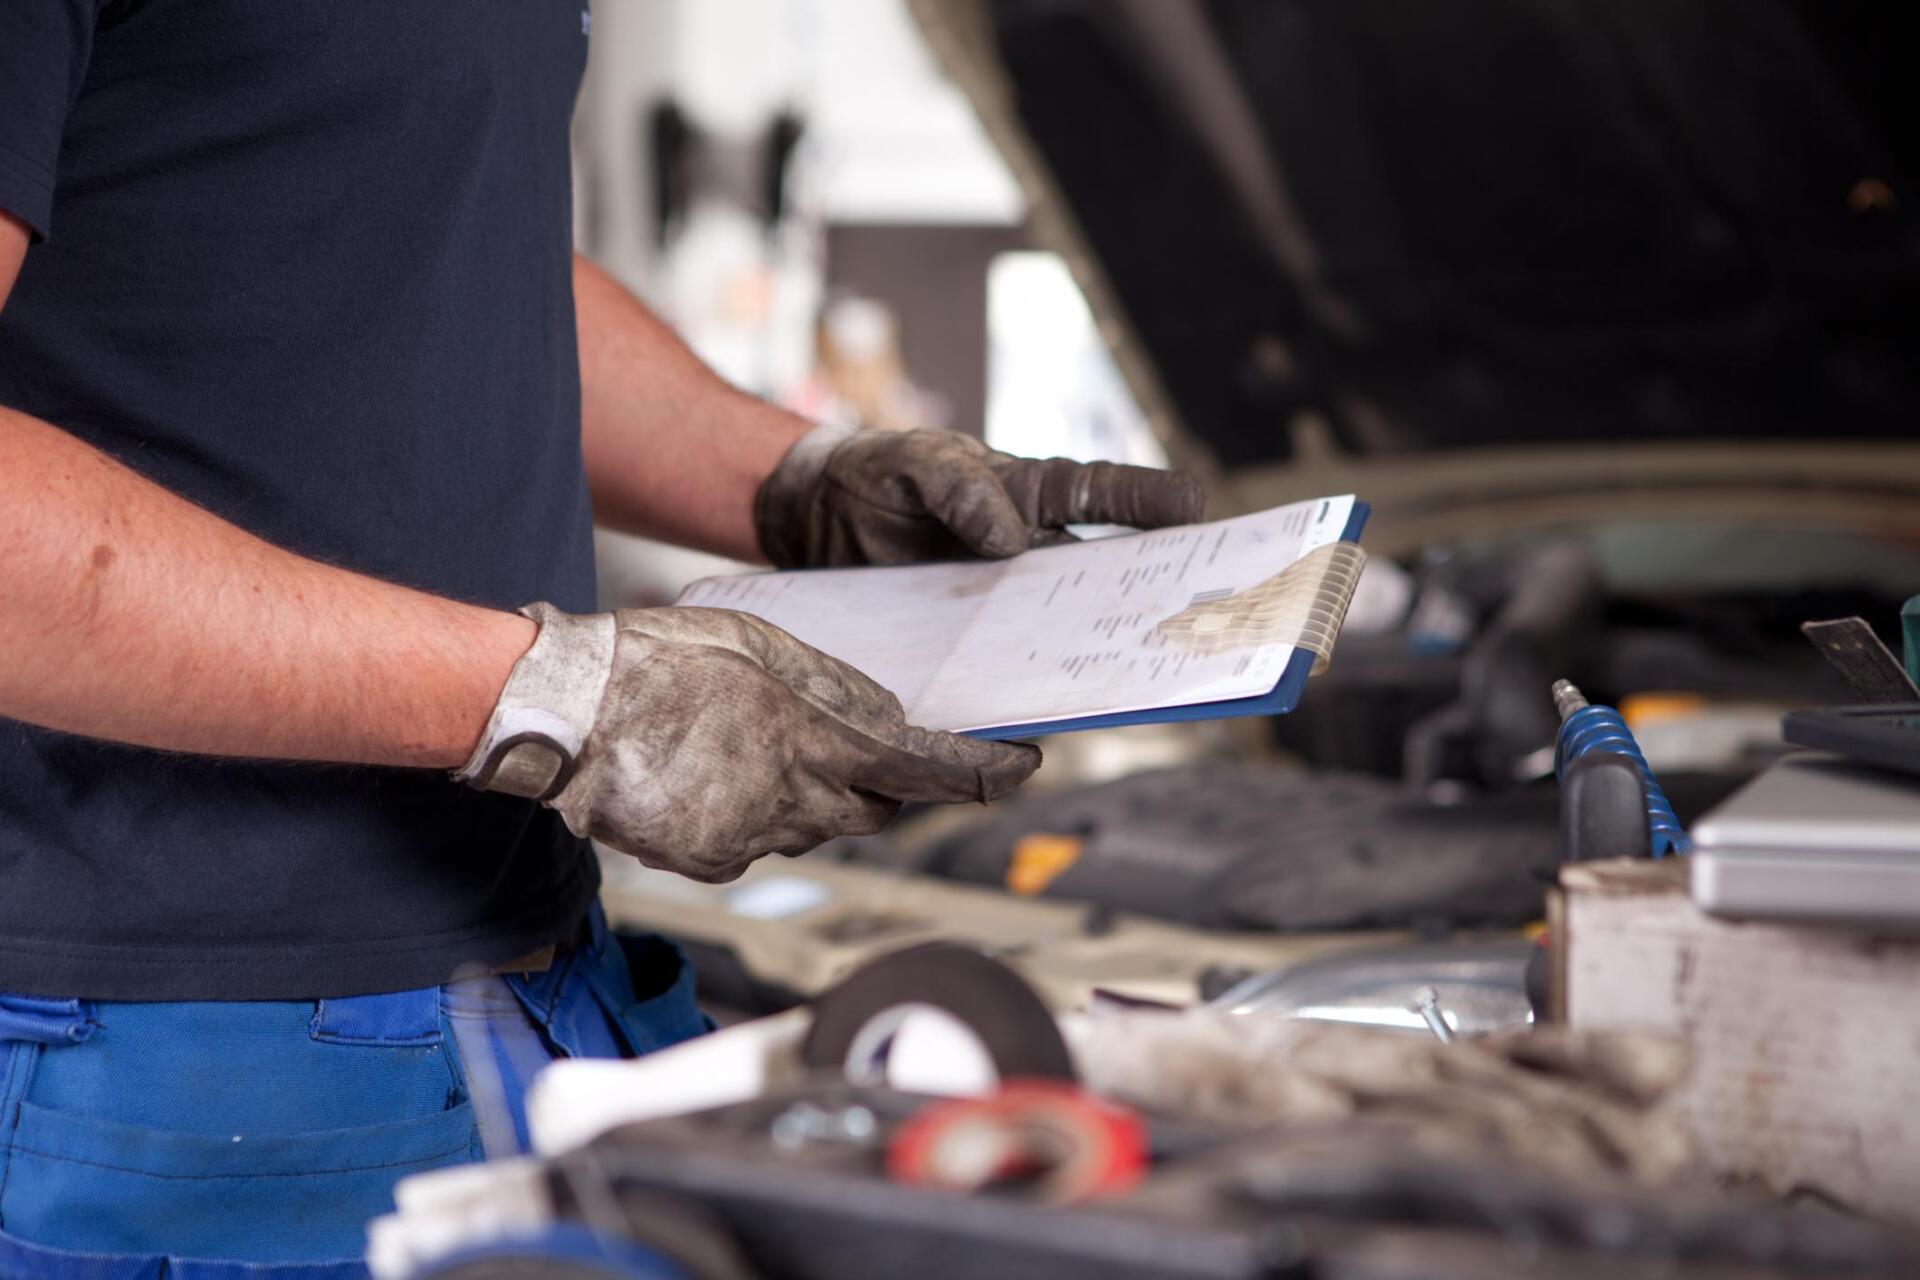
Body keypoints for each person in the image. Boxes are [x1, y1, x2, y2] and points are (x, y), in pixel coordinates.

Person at [0, 4, 1202, 1274]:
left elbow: (436, 250)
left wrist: (796, 478)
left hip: (544, 976)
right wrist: (553, 696)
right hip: (179, 1063)